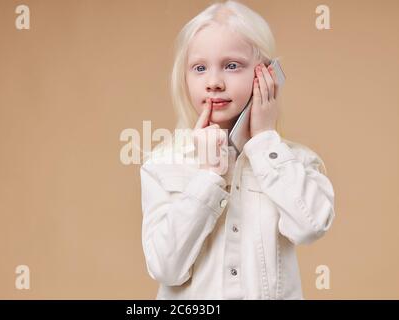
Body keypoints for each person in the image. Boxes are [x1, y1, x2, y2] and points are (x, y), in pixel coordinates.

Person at [139, 0, 335, 299]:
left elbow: (310, 226)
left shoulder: (295, 161)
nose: (214, 83)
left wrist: (265, 140)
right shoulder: (161, 164)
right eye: (200, 68)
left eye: (232, 66)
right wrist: (208, 177)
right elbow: (166, 268)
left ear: (266, 75)